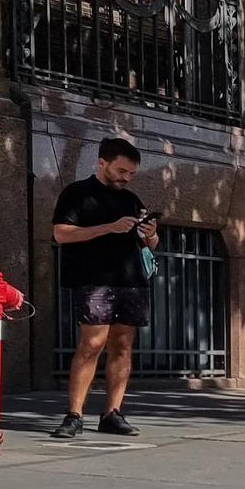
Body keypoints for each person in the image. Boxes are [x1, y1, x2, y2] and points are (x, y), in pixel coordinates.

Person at [49, 136, 158, 439]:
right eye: (122, 171)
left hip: (132, 280)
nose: (127, 178)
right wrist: (109, 227)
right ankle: (74, 415)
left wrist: (150, 234)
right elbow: (61, 234)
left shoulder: (132, 200)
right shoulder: (77, 194)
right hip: (94, 279)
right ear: (102, 162)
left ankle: (112, 413)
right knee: (91, 345)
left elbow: (151, 244)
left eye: (132, 173)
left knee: (122, 346)